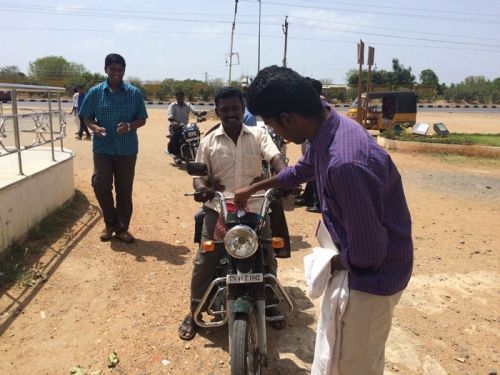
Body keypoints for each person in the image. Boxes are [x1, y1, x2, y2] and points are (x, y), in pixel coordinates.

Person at [234, 66, 413, 375]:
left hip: (371, 279)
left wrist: (327, 263)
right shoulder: (325, 126)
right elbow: (300, 171)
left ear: (287, 118)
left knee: (352, 366)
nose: (279, 135)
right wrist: (255, 187)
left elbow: (368, 254)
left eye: (274, 125)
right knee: (350, 356)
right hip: (362, 264)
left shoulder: (345, 163)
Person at [178, 86, 288, 341]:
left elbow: (275, 158)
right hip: (218, 207)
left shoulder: (259, 134)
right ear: (217, 112)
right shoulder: (208, 141)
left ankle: (269, 301)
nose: (230, 113)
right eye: (225, 109)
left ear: (243, 109)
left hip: (255, 207)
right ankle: (194, 309)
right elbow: (198, 176)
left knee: (267, 254)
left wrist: (285, 175)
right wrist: (203, 188)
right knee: (205, 260)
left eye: (235, 108)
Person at [79, 53, 148, 244]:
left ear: (124, 71)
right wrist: (94, 127)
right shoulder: (95, 93)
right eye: (113, 69)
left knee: (124, 189)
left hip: (127, 149)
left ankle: (122, 228)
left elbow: (142, 118)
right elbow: (86, 117)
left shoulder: (134, 93)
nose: (117, 73)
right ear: (106, 70)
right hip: (103, 148)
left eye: (120, 70)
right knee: (100, 185)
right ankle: (110, 223)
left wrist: (129, 126)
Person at [167, 90, 204, 164]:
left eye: (181, 96)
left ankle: (198, 152)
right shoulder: (172, 105)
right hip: (175, 126)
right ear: (176, 97)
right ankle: (176, 155)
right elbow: (170, 117)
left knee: (197, 132)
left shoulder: (188, 105)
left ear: (184, 97)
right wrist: (175, 122)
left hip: (185, 126)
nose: (180, 98)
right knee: (176, 136)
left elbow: (194, 110)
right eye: (178, 96)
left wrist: (199, 113)